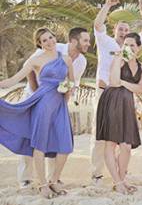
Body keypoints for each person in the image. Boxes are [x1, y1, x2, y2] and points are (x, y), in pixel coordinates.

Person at [0, 28, 76, 198]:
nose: (49, 42)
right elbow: (14, 79)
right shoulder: (35, 60)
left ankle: (54, 180)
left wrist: (67, 92)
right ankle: (43, 185)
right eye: (44, 40)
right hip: (43, 103)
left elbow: (72, 82)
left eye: (50, 37)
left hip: (61, 105)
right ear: (39, 44)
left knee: (65, 146)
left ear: (55, 38)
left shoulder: (66, 59)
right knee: (40, 144)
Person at [16, 26, 90, 189]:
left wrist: (64, 98)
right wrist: (38, 93)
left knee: (55, 138)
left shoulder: (81, 61)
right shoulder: (54, 47)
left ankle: (52, 179)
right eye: (85, 40)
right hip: (34, 96)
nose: (88, 44)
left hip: (56, 101)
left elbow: (72, 83)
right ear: (74, 41)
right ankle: (26, 178)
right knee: (30, 136)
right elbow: (30, 71)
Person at [91, 0, 142, 185]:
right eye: (120, 29)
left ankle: (118, 174)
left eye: (126, 30)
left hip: (124, 97)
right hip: (104, 92)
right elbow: (97, 25)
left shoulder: (131, 47)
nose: (124, 32)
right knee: (101, 138)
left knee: (121, 140)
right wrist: (107, 4)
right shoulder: (105, 42)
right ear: (114, 30)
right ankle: (97, 174)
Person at [95, 33, 142, 194]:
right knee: (110, 143)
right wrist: (119, 59)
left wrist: (125, 83)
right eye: (126, 44)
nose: (129, 48)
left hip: (127, 104)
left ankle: (121, 178)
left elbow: (141, 88)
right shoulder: (117, 61)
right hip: (111, 101)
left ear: (138, 48)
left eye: (132, 45)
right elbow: (114, 82)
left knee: (126, 146)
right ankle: (118, 182)